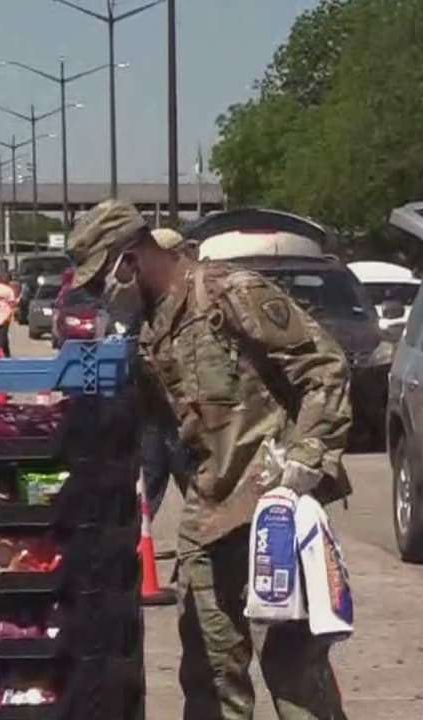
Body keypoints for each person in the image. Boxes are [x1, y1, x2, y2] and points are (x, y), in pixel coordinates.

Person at [68, 200, 352, 720]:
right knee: (209, 674)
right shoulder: (151, 332)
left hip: (272, 508)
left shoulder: (230, 294)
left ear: (127, 260)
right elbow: (155, 423)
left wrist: (308, 455)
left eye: (98, 283)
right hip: (209, 512)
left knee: (292, 672)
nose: (98, 298)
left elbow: (326, 368)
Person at [139, 227, 189, 521]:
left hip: (187, 418)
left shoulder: (195, 297)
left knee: (200, 494)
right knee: (148, 484)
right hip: (153, 413)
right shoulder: (144, 300)